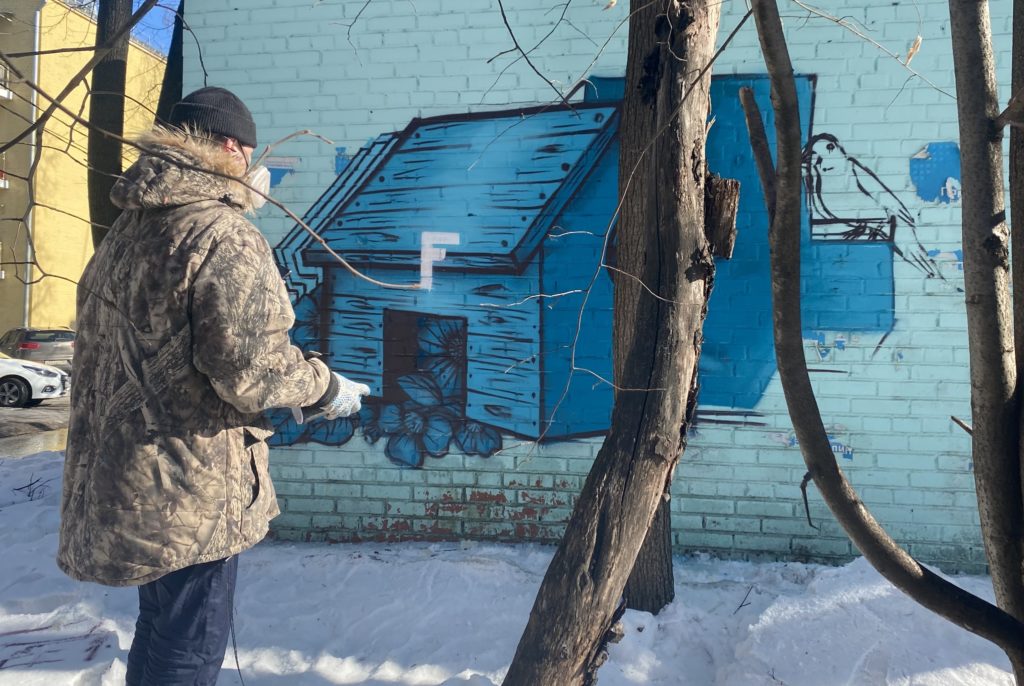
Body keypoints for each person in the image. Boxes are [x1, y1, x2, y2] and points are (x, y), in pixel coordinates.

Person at [57, 86, 369, 685]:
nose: (257, 170)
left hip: (132, 479)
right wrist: (325, 388)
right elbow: (251, 370)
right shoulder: (221, 234)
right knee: (189, 645)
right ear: (229, 148)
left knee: (162, 629)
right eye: (250, 154)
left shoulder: (128, 233)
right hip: (188, 487)